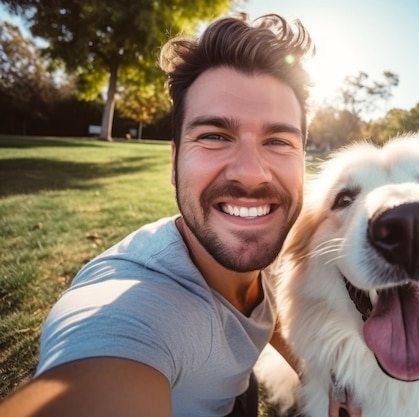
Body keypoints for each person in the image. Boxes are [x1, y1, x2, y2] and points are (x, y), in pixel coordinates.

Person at [0, 14, 360, 417]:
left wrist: (322, 378)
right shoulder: (135, 313)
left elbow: (270, 312)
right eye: (214, 136)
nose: (251, 172)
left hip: (233, 389)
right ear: (174, 162)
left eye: (278, 140)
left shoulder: (278, 252)